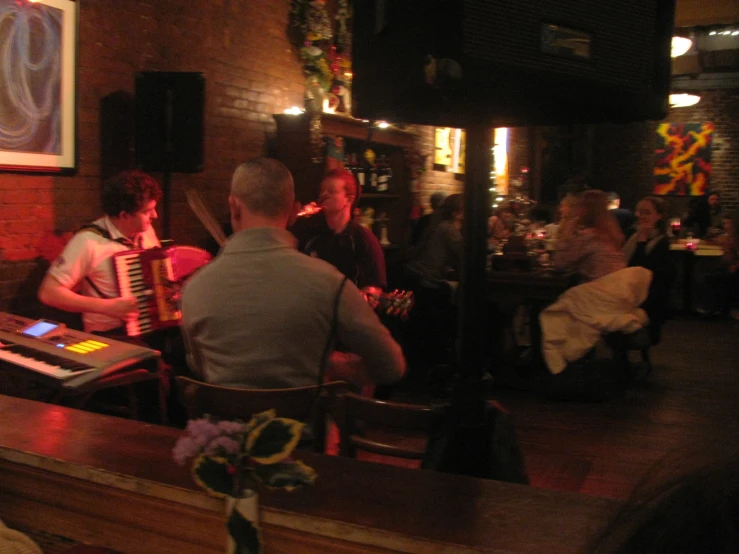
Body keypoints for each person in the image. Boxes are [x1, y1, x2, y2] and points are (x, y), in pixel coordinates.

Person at [180, 158, 406, 389]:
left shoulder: (194, 289)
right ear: (293, 212)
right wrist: (329, 363)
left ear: (234, 207)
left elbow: (199, 366)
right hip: (304, 422)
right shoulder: (330, 283)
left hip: (223, 422)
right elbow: (391, 367)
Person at [38, 170, 162, 336]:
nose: (155, 215)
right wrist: (108, 307)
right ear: (124, 215)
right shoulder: (88, 241)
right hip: (110, 333)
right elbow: (49, 293)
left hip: (151, 326)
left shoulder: (145, 231)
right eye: (147, 211)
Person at [291, 168, 386, 297]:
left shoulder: (364, 240)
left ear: (349, 199)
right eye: (322, 191)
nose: (323, 196)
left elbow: (373, 289)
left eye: (331, 191)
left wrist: (366, 297)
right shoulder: (312, 236)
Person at [623, 196, 674, 343]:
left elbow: (641, 271)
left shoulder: (662, 242)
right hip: (626, 286)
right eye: (639, 212)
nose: (641, 216)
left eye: (646, 212)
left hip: (646, 296)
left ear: (659, 216)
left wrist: (642, 241)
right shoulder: (631, 234)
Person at [554, 189, 626, 282]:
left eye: (579, 206)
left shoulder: (590, 236)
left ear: (586, 209)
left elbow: (560, 263)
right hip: (618, 288)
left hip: (598, 291)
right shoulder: (611, 233)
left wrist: (567, 232)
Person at [406, 193, 464, 290]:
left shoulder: (441, 224)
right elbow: (464, 257)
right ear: (456, 213)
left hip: (419, 277)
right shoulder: (449, 228)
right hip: (428, 282)